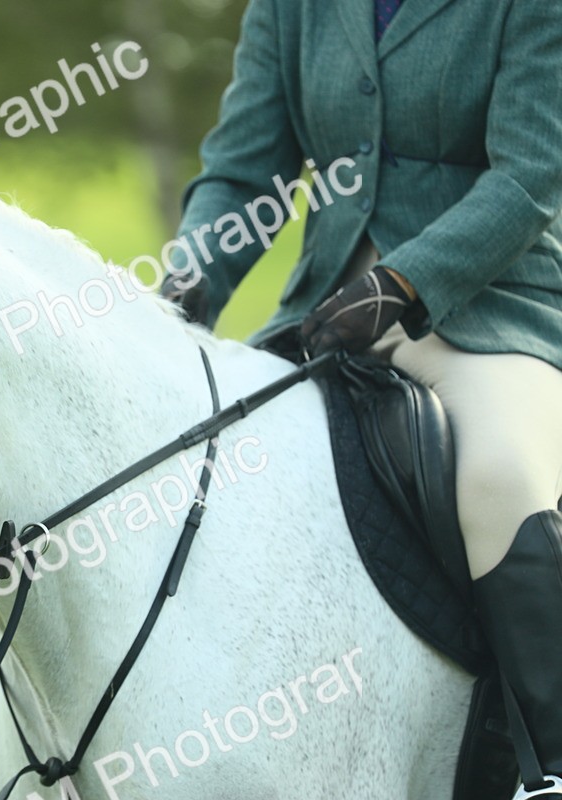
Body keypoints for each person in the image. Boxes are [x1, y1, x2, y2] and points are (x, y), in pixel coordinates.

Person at [162, 0, 562, 794]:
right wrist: (192, 274)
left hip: (487, 309)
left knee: (500, 476)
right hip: (325, 314)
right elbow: (245, 171)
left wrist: (408, 282)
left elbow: (529, 177)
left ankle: (549, 763)